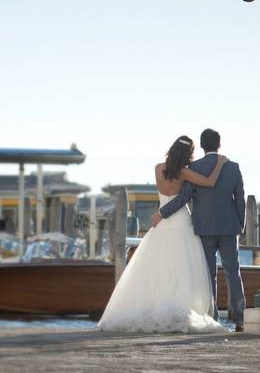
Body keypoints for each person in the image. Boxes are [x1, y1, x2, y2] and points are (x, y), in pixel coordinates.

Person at [97, 135, 228, 333]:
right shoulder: (185, 173)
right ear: (188, 154)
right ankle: (179, 307)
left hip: (162, 221)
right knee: (182, 267)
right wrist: (219, 162)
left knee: (158, 266)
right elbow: (209, 182)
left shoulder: (158, 168)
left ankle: (156, 305)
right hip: (181, 221)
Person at [152, 128, 246, 330]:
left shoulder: (194, 168)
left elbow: (184, 197)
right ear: (219, 144)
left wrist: (163, 213)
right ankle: (239, 319)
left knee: (208, 274)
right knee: (233, 273)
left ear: (202, 146)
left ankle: (212, 317)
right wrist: (241, 225)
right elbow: (240, 200)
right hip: (230, 228)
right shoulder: (234, 167)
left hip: (204, 228)